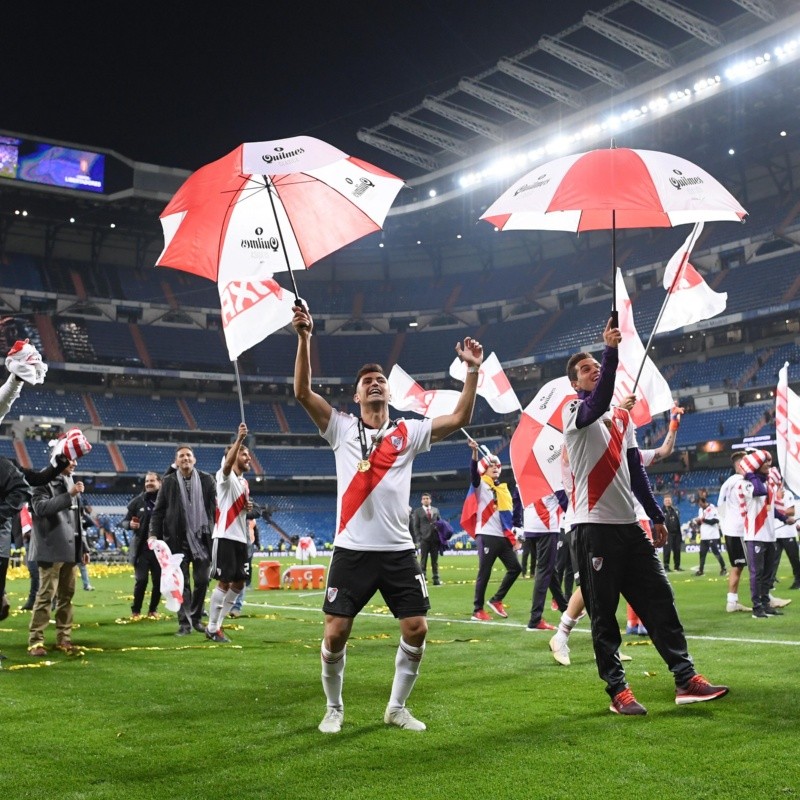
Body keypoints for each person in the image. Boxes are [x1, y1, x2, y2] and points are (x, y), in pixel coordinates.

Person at [292, 302, 483, 734]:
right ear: (356, 396)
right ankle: (334, 708)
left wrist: (472, 371)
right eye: (367, 382)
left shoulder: (409, 431)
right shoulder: (340, 427)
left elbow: (460, 417)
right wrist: (304, 338)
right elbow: (302, 393)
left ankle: (396, 707)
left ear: (388, 393)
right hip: (352, 549)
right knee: (335, 633)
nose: (375, 384)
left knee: (417, 628)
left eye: (380, 380)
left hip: (398, 549)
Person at [562, 318, 728, 715]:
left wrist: (655, 517)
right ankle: (618, 691)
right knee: (604, 615)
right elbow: (598, 402)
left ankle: (685, 678)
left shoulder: (622, 421)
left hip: (628, 528)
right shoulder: (573, 412)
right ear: (574, 384)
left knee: (660, 599)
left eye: (595, 364)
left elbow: (636, 472)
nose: (594, 369)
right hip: (593, 527)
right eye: (585, 368)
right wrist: (610, 350)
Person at [149, 444, 216, 636]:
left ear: (194, 460)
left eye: (188, 455)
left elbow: (216, 506)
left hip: (202, 539)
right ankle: (184, 623)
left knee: (202, 580)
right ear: (176, 462)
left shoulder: (206, 479)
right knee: (181, 583)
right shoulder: (168, 482)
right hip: (177, 540)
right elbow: (158, 511)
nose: (185, 458)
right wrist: (153, 534)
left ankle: (196, 617)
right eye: (181, 456)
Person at [27, 459, 91, 656]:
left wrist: (84, 547)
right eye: (71, 460)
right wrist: (68, 495)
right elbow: (40, 509)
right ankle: (36, 641)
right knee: (46, 595)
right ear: (59, 461)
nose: (75, 464)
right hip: (50, 548)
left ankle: (64, 638)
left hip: (70, 550)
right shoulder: (42, 481)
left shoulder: (70, 480)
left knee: (66, 597)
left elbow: (77, 518)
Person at [464, 443, 522, 622]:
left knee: (516, 568)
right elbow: (473, 472)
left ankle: (496, 599)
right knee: (485, 572)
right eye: (491, 466)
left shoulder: (503, 490)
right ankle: (477, 609)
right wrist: (474, 452)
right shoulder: (480, 484)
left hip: (502, 536)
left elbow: (509, 517)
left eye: (497, 465)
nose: (495, 468)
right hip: (487, 535)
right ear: (484, 469)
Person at [205, 423, 252, 643]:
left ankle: (218, 624)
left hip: (240, 539)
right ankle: (213, 628)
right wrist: (239, 440)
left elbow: (237, 505)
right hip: (224, 536)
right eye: (244, 454)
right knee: (224, 582)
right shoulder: (224, 476)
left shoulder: (244, 483)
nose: (248, 458)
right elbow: (226, 467)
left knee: (240, 583)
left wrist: (247, 507)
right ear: (233, 458)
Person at [511, 486, 567, 631]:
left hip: (530, 527)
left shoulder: (523, 476)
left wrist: (516, 523)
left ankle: (566, 609)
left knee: (549, 569)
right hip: (547, 526)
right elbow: (564, 499)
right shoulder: (551, 474)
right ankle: (535, 619)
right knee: (544, 570)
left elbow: (516, 499)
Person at [120, 472, 162, 618]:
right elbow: (124, 522)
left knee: (159, 582)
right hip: (142, 550)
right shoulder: (137, 502)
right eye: (146, 481)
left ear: (159, 483)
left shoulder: (165, 502)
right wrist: (130, 525)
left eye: (152, 481)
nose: (149, 483)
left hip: (160, 550)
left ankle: (153, 610)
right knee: (141, 580)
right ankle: (136, 610)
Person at [717, 451, 753, 613]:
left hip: (731, 529)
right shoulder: (740, 482)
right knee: (752, 564)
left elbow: (720, 506)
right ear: (740, 465)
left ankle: (732, 601)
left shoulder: (728, 482)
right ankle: (762, 597)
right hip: (739, 530)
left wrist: (725, 524)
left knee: (737, 565)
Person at [410, 493, 442, 586]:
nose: (425, 500)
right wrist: (419, 539)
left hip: (435, 539)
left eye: (427, 498)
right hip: (424, 540)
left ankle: (436, 578)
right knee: (423, 560)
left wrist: (440, 535)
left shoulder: (436, 510)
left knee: (435, 560)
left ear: (430, 500)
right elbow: (415, 526)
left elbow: (440, 523)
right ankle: (423, 577)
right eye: (424, 498)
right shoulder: (417, 511)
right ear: (421, 501)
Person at [693, 496, 727, 577]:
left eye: (700, 503)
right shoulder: (700, 510)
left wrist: (702, 520)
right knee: (702, 553)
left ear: (704, 502)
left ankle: (723, 568)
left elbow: (715, 521)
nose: (699, 505)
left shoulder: (712, 508)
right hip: (704, 536)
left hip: (712, 535)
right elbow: (701, 522)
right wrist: (698, 522)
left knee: (716, 552)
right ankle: (701, 571)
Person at [662, 495, 683, 572]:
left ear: (671, 501)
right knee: (667, 550)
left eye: (669, 500)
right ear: (664, 502)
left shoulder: (675, 510)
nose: (668, 502)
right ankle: (666, 566)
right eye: (666, 500)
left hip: (676, 533)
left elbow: (678, 522)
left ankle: (677, 566)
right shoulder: (661, 511)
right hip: (667, 533)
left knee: (677, 550)